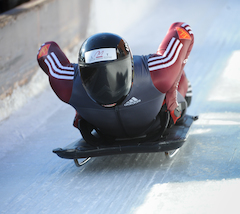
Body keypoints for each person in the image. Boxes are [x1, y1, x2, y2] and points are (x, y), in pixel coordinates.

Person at [37, 22, 194, 145]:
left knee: (179, 94)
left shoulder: (158, 72)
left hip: (156, 120)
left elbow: (183, 30)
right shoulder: (67, 84)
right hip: (114, 128)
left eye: (114, 75)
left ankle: (181, 84)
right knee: (169, 76)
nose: (106, 86)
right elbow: (45, 50)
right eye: (94, 77)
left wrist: (173, 89)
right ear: (83, 75)